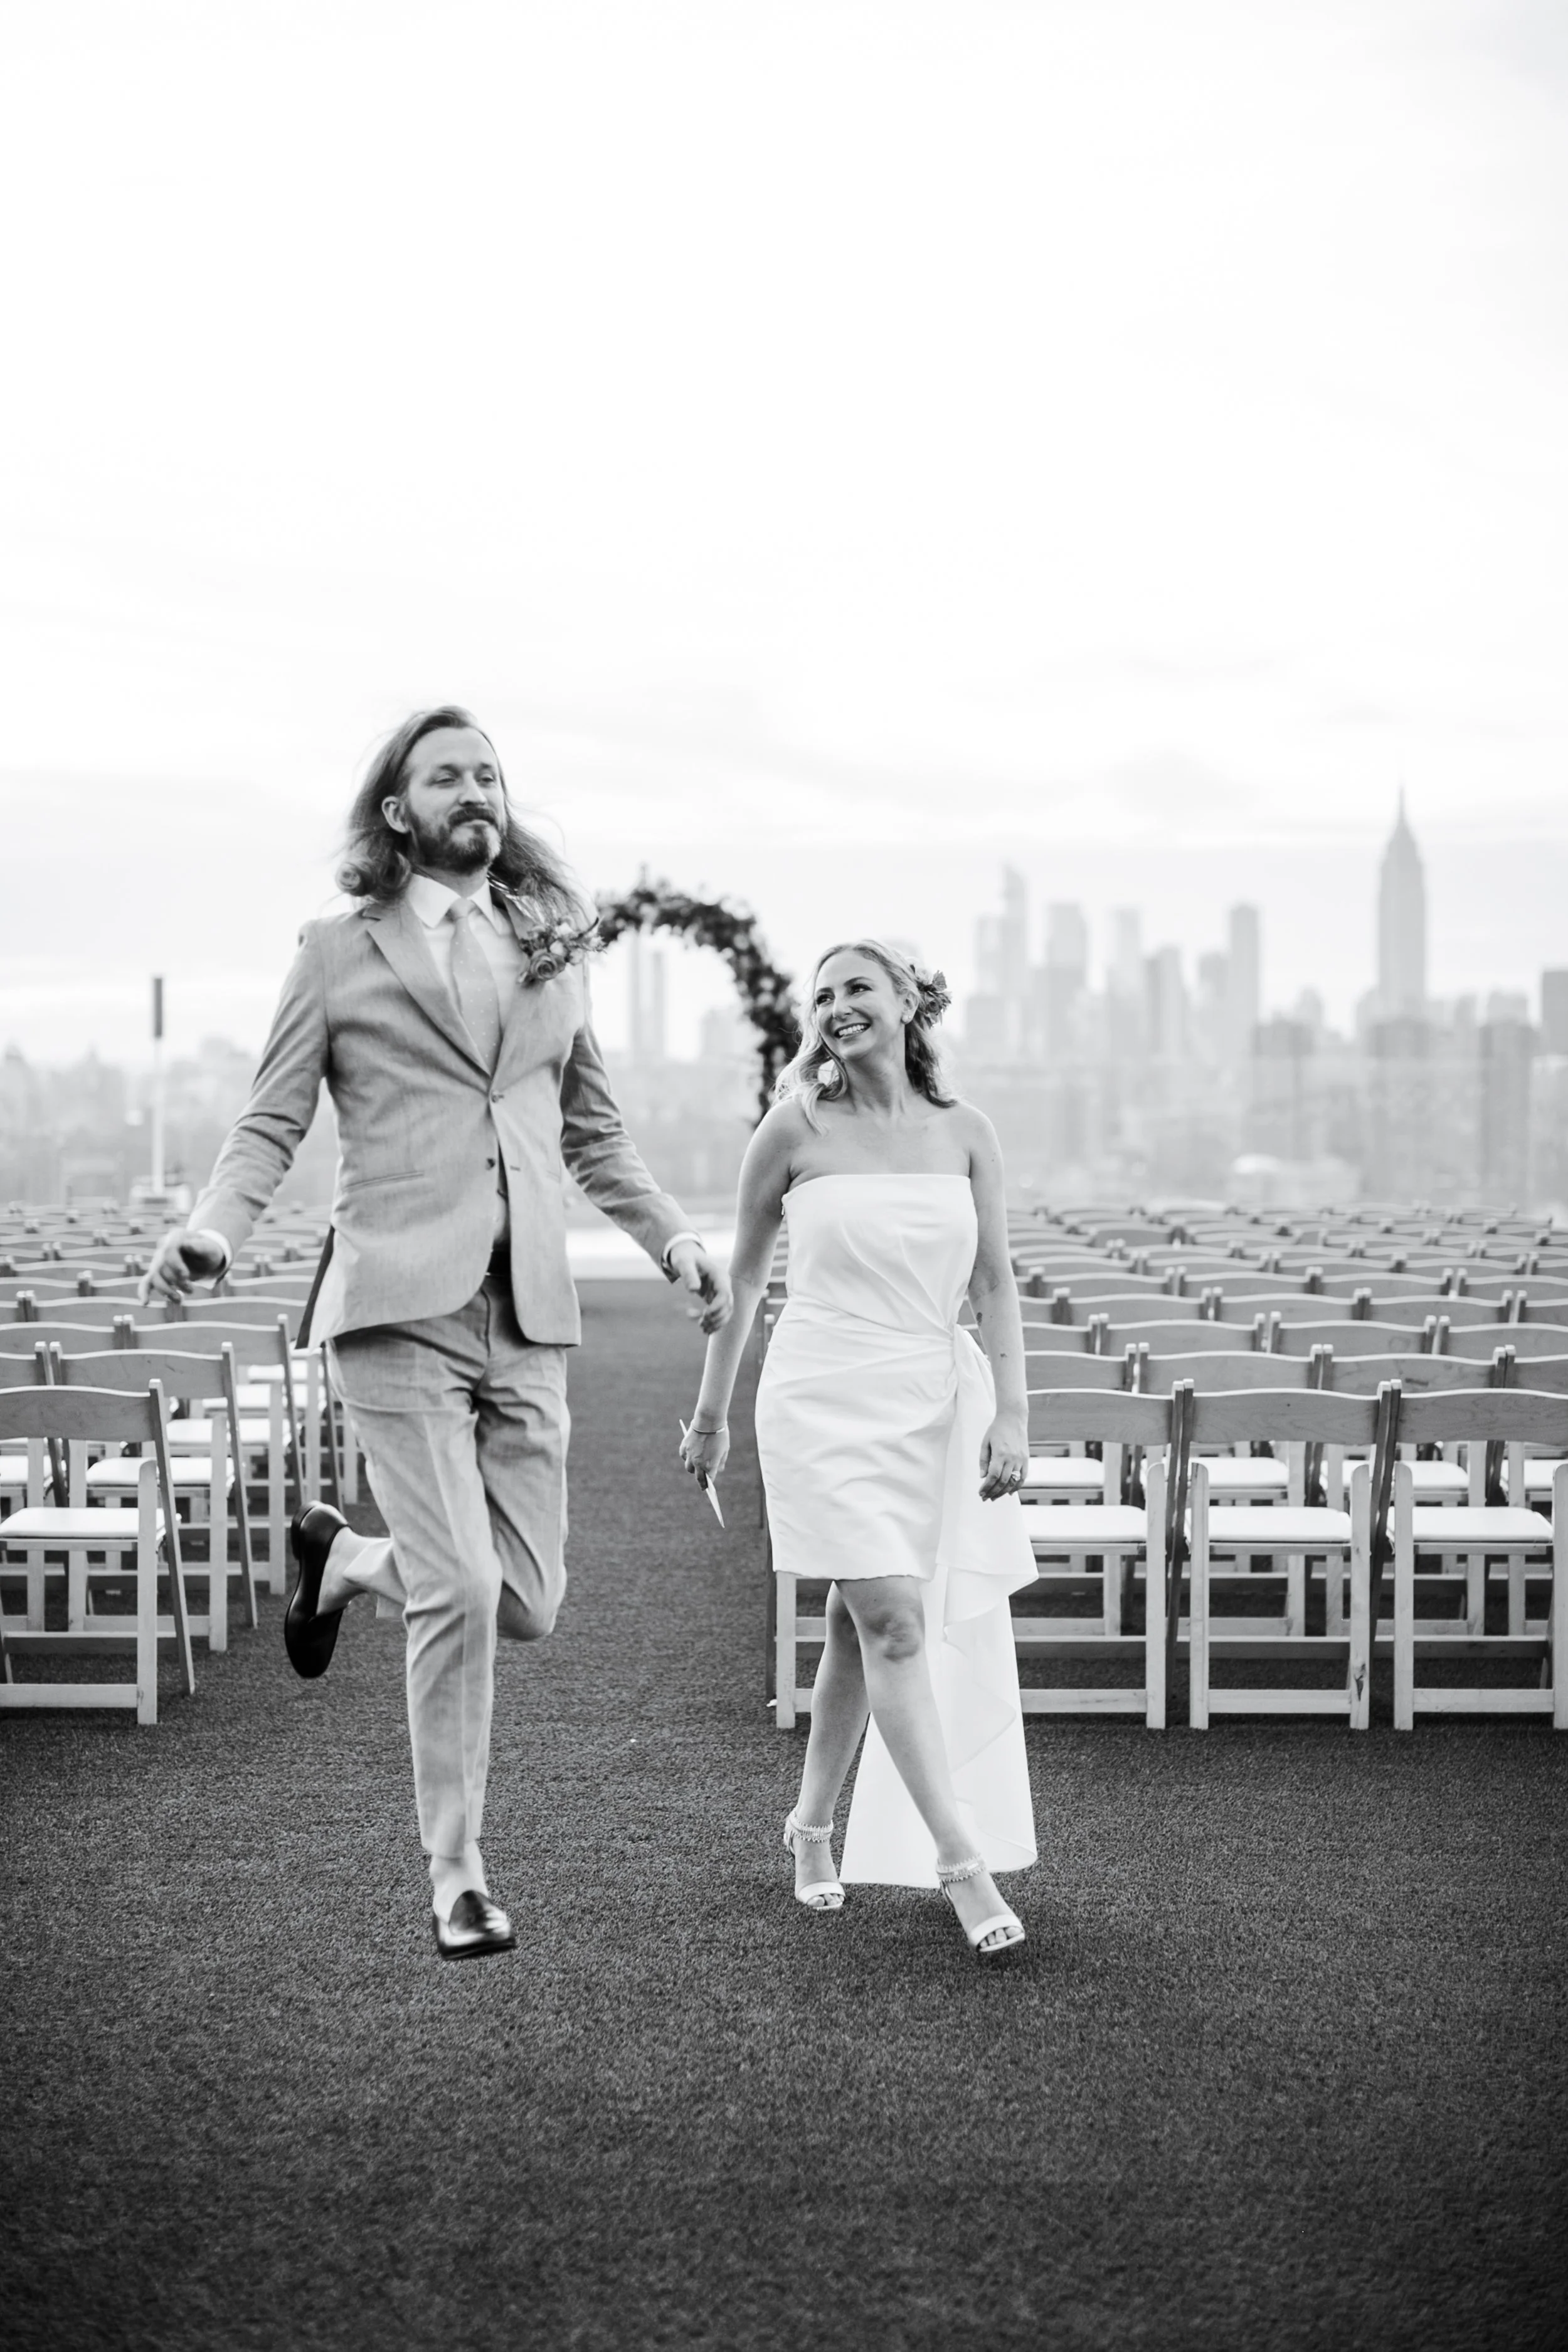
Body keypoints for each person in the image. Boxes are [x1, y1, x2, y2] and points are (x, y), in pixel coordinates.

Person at [143, 706, 731, 1960]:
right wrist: (213, 1231)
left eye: (489, 774)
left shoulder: (547, 948)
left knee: (528, 1600)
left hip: (530, 1313)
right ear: (397, 809)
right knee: (459, 1587)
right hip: (395, 1307)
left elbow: (594, 1133)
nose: (476, 790)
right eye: (447, 774)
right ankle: (457, 1873)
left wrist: (674, 1239)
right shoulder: (335, 950)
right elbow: (270, 1123)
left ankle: (347, 1562)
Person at [680, 939, 1036, 1962]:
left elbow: (996, 1283)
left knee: (855, 1620)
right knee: (893, 1619)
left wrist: (1012, 1415)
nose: (837, 1006)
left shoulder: (967, 1132)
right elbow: (745, 1281)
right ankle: (961, 1859)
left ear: (909, 1001)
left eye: (858, 988)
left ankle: (807, 1824)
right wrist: (710, 1414)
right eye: (824, 994)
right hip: (821, 1396)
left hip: (929, 1397)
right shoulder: (792, 1127)